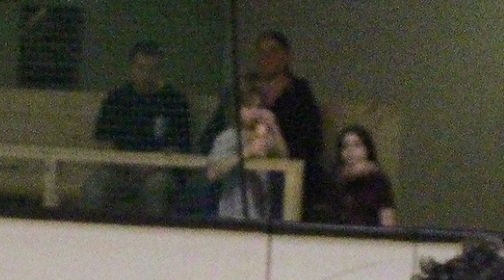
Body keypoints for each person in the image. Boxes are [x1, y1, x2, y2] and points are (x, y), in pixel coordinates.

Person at [83, 41, 194, 217]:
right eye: (141, 68)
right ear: (131, 68)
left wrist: (151, 166)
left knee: (156, 187)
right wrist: (122, 164)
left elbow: (179, 147)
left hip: (158, 171)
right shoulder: (116, 98)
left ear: (159, 70)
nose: (146, 75)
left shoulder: (174, 101)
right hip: (119, 170)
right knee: (94, 186)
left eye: (152, 69)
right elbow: (103, 142)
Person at [247, 30, 324, 181]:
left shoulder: (299, 92)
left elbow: (311, 140)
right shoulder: (245, 90)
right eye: (262, 52)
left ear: (286, 56)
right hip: (247, 165)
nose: (267, 57)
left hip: (287, 169)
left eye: (273, 50)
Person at [204, 82, 286, 223]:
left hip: (261, 216)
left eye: (259, 107)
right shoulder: (229, 137)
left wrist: (273, 126)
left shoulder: (261, 136)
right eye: (249, 107)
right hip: (232, 217)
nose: (255, 112)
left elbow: (283, 155)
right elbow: (212, 172)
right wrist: (247, 153)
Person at [328, 125, 397, 227]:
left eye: (357, 145)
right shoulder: (333, 181)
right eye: (345, 146)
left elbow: (388, 221)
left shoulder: (378, 180)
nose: (350, 151)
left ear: (367, 150)